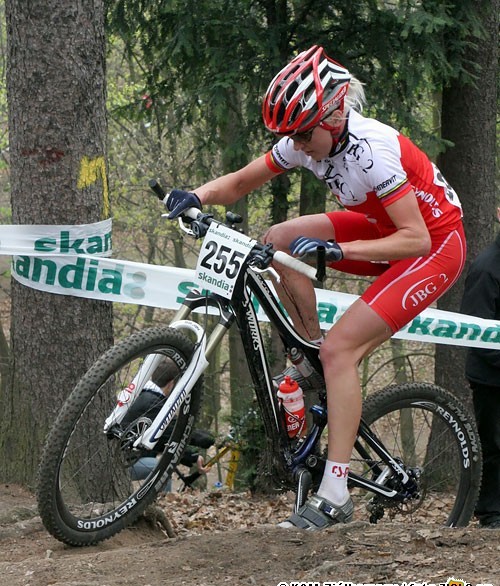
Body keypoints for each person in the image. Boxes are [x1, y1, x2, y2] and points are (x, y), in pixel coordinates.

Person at [165, 46, 466, 530]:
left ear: (335, 115)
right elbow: (239, 183)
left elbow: (416, 239)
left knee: (341, 351)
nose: (298, 145)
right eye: (292, 137)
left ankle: (336, 492)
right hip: (383, 227)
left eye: (304, 134)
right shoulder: (306, 139)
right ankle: (309, 353)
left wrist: (339, 251)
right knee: (280, 239)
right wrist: (194, 196)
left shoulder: (372, 151)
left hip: (433, 246)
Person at [460, 207, 500, 529]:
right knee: (495, 445)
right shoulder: (486, 269)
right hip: (491, 377)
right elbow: (476, 333)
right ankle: (491, 513)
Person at [123, 357, 213, 491]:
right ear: (171, 384)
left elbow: (164, 440)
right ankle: (162, 500)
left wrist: (193, 457)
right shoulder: (154, 403)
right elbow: (177, 431)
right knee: (162, 469)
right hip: (125, 463)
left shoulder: (144, 396)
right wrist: (210, 439)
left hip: (128, 459)